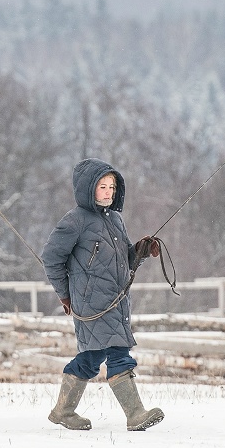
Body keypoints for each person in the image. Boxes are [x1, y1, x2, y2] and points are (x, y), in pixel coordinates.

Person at [40, 158, 164, 431]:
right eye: (102, 187)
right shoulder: (74, 221)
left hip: (116, 302)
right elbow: (51, 258)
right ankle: (135, 415)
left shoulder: (116, 220)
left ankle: (63, 410)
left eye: (112, 186)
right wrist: (65, 295)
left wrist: (140, 251)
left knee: (91, 358)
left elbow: (123, 260)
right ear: (88, 189)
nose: (108, 192)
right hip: (91, 304)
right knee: (119, 353)